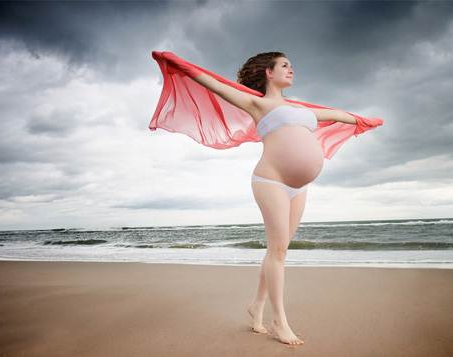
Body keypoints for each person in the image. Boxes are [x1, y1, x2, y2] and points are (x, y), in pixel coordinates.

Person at [149, 50, 384, 346]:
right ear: (268, 73)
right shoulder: (257, 103)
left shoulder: (303, 110)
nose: (291, 69)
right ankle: (279, 321)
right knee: (279, 253)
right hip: (271, 181)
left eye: (291, 65)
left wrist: (364, 121)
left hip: (299, 187)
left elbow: (335, 114)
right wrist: (177, 63)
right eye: (285, 65)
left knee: (279, 249)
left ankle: (257, 305)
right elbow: (213, 84)